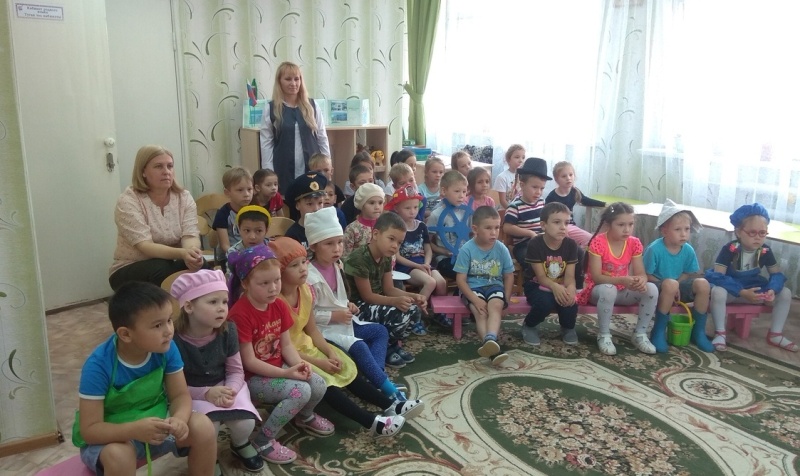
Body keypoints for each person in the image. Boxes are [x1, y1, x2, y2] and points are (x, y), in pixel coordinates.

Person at [273, 238, 417, 436]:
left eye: (303, 262)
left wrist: (330, 352)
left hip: (307, 346)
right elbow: (284, 348)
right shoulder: (276, 303)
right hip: (287, 356)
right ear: (280, 272)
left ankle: (391, 404)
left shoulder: (304, 291)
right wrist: (320, 362)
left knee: (345, 365)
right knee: (323, 382)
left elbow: (312, 331)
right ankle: (370, 422)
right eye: (294, 265)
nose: (303, 269)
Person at [72, 282, 217, 475]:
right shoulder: (98, 366)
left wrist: (179, 419)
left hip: (157, 425)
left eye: (169, 320)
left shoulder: (166, 348)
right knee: (119, 456)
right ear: (126, 334)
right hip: (113, 436)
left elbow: (180, 396)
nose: (169, 331)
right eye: (157, 325)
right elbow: (90, 430)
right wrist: (133, 430)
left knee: (203, 427)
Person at [227, 244, 330, 464]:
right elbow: (249, 361)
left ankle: (304, 416)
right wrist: (287, 374)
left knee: (318, 383)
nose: (273, 288)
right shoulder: (240, 315)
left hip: (278, 368)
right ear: (245, 283)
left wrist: (299, 365)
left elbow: (287, 346)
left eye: (277, 280)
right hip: (251, 379)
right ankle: (262, 441)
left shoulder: (278, 305)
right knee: (300, 391)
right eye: (264, 283)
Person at [305, 207, 413, 392]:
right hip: (323, 331)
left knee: (379, 332)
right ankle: (386, 388)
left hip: (342, 322)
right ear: (314, 246)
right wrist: (334, 316)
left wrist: (348, 305)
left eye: (340, 242)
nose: (337, 248)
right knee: (359, 346)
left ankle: (376, 377)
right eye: (329, 244)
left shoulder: (337, 265)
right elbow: (306, 316)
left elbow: (336, 299)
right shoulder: (309, 276)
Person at [169, 270, 263, 473]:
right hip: (191, 392)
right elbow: (172, 386)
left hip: (225, 385)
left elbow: (236, 371)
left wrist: (230, 390)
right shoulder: (173, 341)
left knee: (245, 423)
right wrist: (206, 393)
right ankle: (206, 456)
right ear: (189, 306)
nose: (222, 308)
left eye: (224, 302)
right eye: (213, 302)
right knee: (207, 428)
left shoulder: (228, 330)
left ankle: (240, 444)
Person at [109, 145, 205, 291]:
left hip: (172, 261)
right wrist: (182, 253)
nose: (166, 172)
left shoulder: (184, 197)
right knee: (161, 269)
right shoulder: (128, 200)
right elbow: (145, 246)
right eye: (158, 166)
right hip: (130, 267)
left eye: (170, 166)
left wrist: (192, 253)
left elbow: (190, 235)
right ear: (143, 172)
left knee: (202, 267)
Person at [705, 203, 797, 352]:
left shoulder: (765, 250)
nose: (758, 238)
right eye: (752, 233)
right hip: (732, 292)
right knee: (717, 291)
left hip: (754, 289)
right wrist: (741, 291)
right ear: (738, 231)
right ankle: (720, 333)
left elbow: (776, 274)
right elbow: (717, 276)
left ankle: (775, 334)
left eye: (762, 233)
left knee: (785, 293)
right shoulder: (730, 249)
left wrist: (772, 290)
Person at [344, 212, 427, 368]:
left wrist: (414, 296)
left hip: (377, 301)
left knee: (414, 309)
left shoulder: (386, 256)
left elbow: (389, 289)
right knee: (398, 314)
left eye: (399, 242)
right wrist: (395, 302)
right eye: (391, 239)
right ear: (376, 234)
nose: (395, 246)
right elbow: (367, 297)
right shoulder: (359, 258)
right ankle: (386, 347)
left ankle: (393, 344)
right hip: (357, 307)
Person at [576, 202, 659, 356]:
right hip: (598, 291)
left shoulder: (634, 243)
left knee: (652, 289)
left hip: (623, 290)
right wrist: (622, 280)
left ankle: (640, 334)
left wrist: (640, 280)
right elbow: (597, 278)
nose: (627, 229)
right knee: (609, 289)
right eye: (621, 225)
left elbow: (641, 273)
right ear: (608, 225)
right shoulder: (598, 242)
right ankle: (604, 334)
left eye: (630, 224)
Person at [644, 199, 713, 353]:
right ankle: (658, 331)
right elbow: (646, 275)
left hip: (677, 286)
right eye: (677, 229)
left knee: (703, 283)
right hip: (657, 286)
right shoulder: (654, 249)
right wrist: (670, 285)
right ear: (664, 231)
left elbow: (687, 272)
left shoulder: (688, 250)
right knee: (670, 284)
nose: (683, 234)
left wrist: (677, 285)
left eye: (687, 229)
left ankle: (698, 331)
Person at [454, 206, 515, 365]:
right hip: (473, 288)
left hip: (494, 286)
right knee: (480, 312)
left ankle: (490, 339)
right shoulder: (467, 249)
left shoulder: (501, 248)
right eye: (488, 228)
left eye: (497, 227)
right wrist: (475, 300)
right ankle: (492, 349)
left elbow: (509, 276)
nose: (493, 232)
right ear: (475, 229)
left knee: (495, 306)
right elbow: (460, 280)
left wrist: (506, 300)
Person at [260, 61, 330, 194]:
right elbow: (266, 144)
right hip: (283, 167)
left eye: (296, 79)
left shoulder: (312, 106)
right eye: (288, 79)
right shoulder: (271, 108)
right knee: (288, 199)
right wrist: (268, 173)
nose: (293, 83)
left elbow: (322, 137)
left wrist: (327, 165)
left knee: (311, 198)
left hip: (312, 165)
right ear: (279, 81)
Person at [386, 185, 448, 332]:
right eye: (407, 208)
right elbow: (397, 257)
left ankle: (438, 313)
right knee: (430, 282)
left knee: (441, 282)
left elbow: (428, 248)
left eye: (415, 207)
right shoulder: (396, 229)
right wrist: (418, 266)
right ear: (397, 208)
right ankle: (415, 317)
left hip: (424, 264)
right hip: (406, 267)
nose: (412, 211)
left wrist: (426, 263)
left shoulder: (421, 226)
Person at [521, 202, 580, 346]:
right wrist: (555, 287)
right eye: (557, 222)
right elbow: (541, 277)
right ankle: (529, 325)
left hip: (560, 284)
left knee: (570, 301)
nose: (563, 227)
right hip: (536, 285)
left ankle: (568, 327)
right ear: (543, 225)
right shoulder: (535, 244)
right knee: (546, 302)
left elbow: (570, 276)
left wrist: (571, 288)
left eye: (566, 223)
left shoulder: (571, 245)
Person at [545, 161, 606, 247]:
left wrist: (604, 204)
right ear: (556, 179)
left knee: (591, 239)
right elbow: (546, 217)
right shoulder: (552, 197)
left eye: (571, 175)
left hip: (570, 225)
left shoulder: (574, 191)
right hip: (558, 227)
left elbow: (586, 200)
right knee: (569, 243)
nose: (568, 178)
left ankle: (581, 253)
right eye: (564, 176)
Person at [502, 157, 550, 268]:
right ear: (522, 185)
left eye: (542, 188)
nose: (538, 192)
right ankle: (533, 278)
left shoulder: (542, 202)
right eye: (535, 187)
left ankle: (551, 277)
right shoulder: (515, 206)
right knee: (531, 258)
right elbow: (507, 228)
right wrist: (530, 233)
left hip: (542, 240)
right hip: (523, 244)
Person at [427, 170, 472, 281]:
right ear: (444, 191)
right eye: (457, 191)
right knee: (464, 273)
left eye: (464, 191)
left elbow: (472, 235)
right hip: (445, 259)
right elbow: (427, 243)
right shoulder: (436, 214)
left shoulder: (467, 212)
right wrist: (444, 252)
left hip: (465, 256)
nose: (461, 196)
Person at [212, 167, 254, 253]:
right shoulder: (223, 214)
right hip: (229, 256)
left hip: (251, 254)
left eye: (249, 189)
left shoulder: (255, 212)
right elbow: (225, 246)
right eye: (240, 190)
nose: (246, 194)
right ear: (227, 192)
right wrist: (239, 256)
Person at [284, 172, 327, 250]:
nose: (316, 209)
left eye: (320, 203)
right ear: (297, 205)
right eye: (309, 204)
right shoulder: (293, 235)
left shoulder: (328, 228)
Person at [343, 183, 385, 257]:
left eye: (380, 203)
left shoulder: (385, 226)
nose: (377, 207)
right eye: (372, 203)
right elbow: (345, 256)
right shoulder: (352, 229)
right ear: (361, 204)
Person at [494, 144, 524, 209]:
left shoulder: (524, 176)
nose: (521, 160)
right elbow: (503, 201)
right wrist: (513, 211)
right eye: (517, 157)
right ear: (508, 160)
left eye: (523, 157)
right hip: (506, 211)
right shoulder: (502, 177)